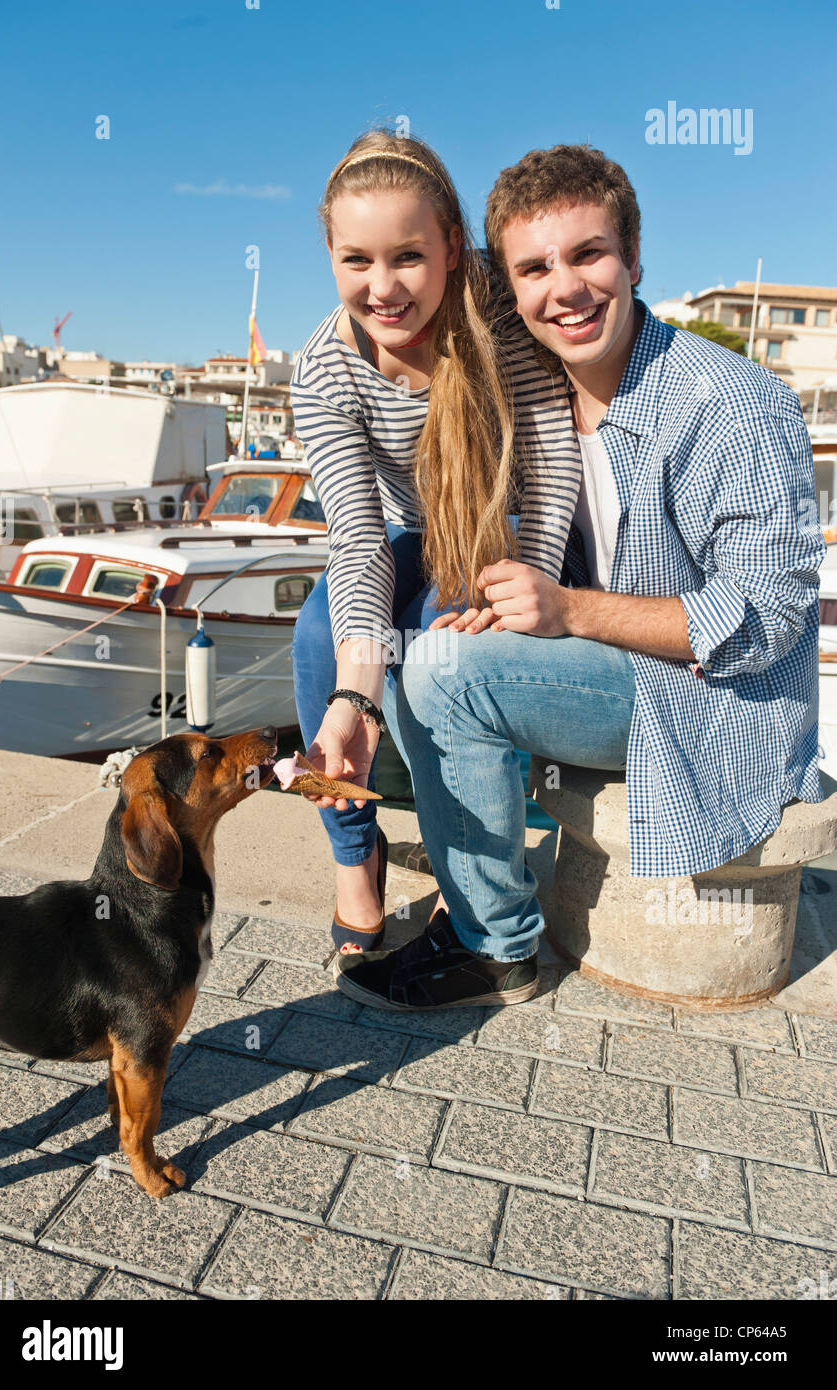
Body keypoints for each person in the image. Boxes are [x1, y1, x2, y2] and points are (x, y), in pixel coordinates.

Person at [334, 143, 825, 1010]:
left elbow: (764, 620)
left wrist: (568, 611)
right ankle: (465, 899)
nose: (563, 288)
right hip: (622, 675)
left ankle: (495, 948)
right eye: (534, 268)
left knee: (445, 673)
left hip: (715, 702)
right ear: (506, 285)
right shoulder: (538, 390)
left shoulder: (726, 401)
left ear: (633, 258)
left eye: (588, 254)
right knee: (429, 647)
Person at [289, 129, 581, 955]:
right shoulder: (323, 370)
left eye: (407, 258)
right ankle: (357, 857)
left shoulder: (496, 308)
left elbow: (555, 459)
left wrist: (540, 582)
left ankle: (473, 882)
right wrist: (355, 697)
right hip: (410, 536)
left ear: (453, 248)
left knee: (444, 657)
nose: (382, 288)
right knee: (320, 634)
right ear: (330, 252)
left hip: (508, 530)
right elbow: (354, 539)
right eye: (356, 261)